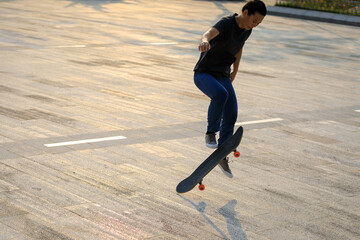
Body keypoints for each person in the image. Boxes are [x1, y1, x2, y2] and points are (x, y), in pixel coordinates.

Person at [194, 0, 267, 177]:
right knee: (220, 94)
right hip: (205, 73)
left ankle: (222, 154)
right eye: (254, 20)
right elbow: (209, 33)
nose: (255, 25)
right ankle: (211, 133)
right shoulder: (227, 22)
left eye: (258, 23)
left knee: (232, 112)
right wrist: (204, 41)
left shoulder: (247, 30)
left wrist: (235, 70)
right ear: (246, 12)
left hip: (223, 74)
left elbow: (238, 48)